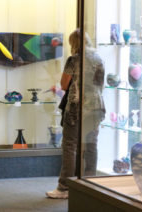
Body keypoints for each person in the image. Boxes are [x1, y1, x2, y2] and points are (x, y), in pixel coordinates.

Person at [46, 29, 105, 199]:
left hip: (76, 107)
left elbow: (64, 85)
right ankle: (90, 184)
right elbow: (100, 84)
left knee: (70, 146)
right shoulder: (98, 58)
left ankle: (64, 187)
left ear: (74, 43)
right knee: (91, 145)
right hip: (95, 106)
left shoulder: (74, 59)